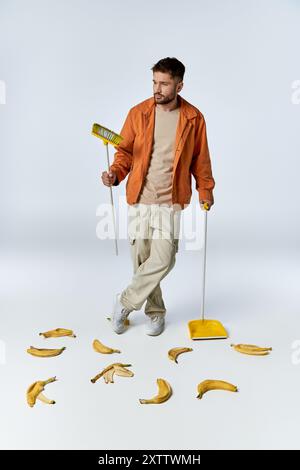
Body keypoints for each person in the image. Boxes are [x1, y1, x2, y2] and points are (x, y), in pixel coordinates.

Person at [101, 57, 215, 336]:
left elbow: (201, 159)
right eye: (154, 82)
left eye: (164, 83)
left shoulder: (194, 118)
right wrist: (115, 174)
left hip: (171, 200)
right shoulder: (137, 113)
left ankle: (124, 302)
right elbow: (124, 152)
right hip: (140, 198)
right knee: (141, 260)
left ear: (179, 85)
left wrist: (206, 190)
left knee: (164, 258)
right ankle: (155, 312)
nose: (157, 88)